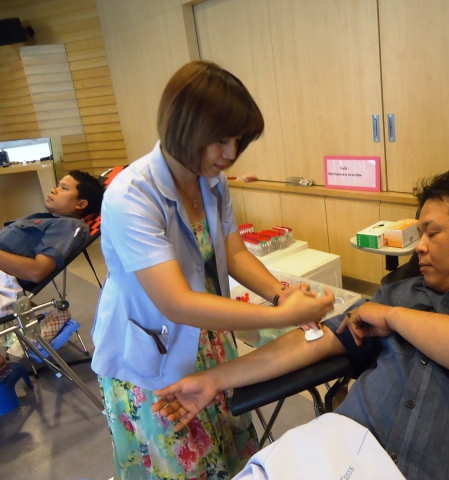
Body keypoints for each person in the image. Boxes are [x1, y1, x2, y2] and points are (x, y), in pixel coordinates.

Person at [152, 170, 449, 480]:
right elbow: (314, 341)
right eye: (418, 235)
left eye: (432, 233)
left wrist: (394, 318)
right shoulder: (403, 293)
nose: (419, 247)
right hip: (342, 455)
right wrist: (214, 379)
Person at [90, 60, 335, 480]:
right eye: (221, 139)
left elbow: (233, 252)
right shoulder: (131, 196)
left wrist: (281, 294)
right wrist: (281, 317)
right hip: (153, 354)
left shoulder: (211, 181)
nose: (231, 153)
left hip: (208, 338)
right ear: (185, 128)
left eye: (238, 140)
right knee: (182, 465)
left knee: (227, 456)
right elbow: (176, 303)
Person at [0, 170, 104, 314]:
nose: (53, 190)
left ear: (81, 204)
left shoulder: (68, 225)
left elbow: (37, 272)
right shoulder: (47, 219)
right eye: (57, 185)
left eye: (64, 188)